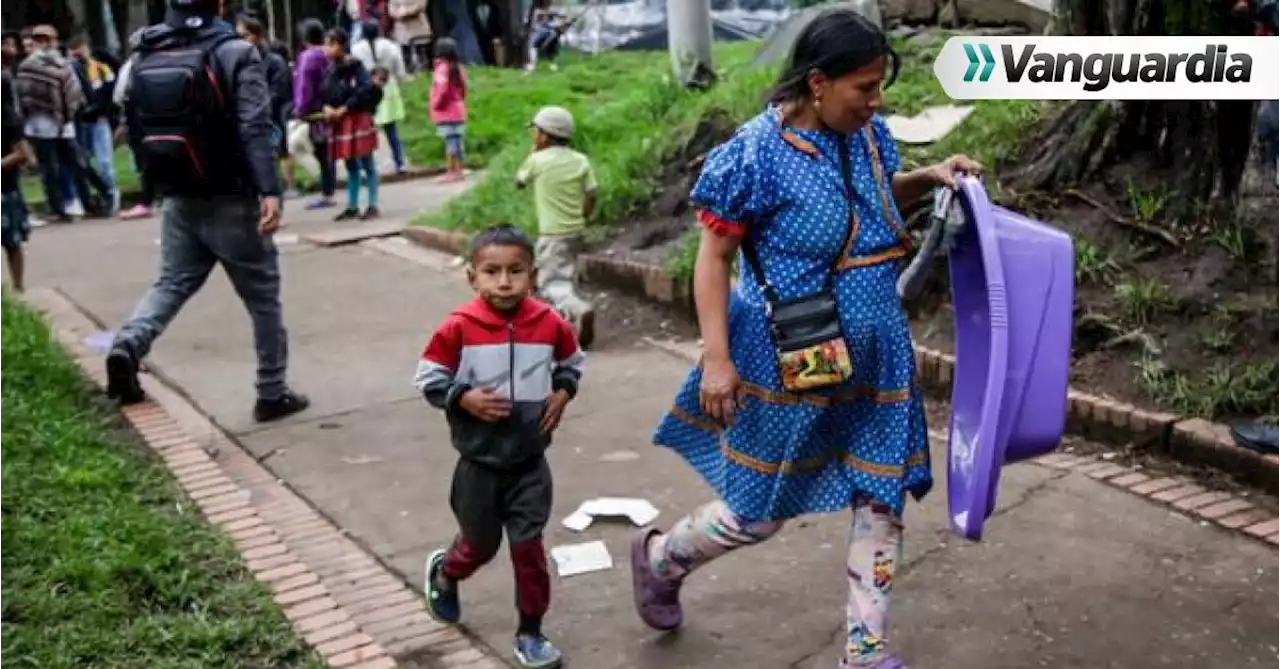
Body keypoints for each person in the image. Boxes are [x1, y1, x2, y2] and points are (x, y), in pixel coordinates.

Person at [630, 10, 982, 669]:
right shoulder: (756, 155)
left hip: (879, 350)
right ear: (818, 83)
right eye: (865, 87)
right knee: (759, 511)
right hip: (800, 355)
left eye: (881, 86)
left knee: (883, 494)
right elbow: (713, 259)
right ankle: (659, 558)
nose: (877, 101)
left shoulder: (872, 136)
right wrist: (716, 358)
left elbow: (871, 206)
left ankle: (865, 650)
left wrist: (929, 175)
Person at [106, 0, 310, 425]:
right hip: (232, 197)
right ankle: (271, 392)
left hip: (178, 194)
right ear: (218, 4)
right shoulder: (235, 51)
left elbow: (131, 122)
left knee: (171, 282)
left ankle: (128, 343)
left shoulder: (145, 51)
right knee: (263, 300)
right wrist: (269, 189)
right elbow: (253, 124)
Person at [414, 223, 583, 669]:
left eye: (515, 271)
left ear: (534, 273)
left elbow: (572, 361)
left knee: (528, 550)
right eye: (492, 272)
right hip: (478, 466)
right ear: (473, 276)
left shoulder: (550, 323)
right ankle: (446, 571)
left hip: (530, 463)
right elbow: (429, 378)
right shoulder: (458, 328)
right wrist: (462, 397)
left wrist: (563, 392)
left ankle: (531, 632)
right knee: (479, 547)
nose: (504, 282)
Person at [515, 106, 597, 349]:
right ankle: (568, 326)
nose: (533, 136)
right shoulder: (580, 160)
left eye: (535, 132)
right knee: (566, 275)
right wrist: (583, 215)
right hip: (576, 230)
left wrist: (533, 154)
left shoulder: (537, 160)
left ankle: (578, 310)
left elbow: (519, 182)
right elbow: (592, 193)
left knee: (551, 283)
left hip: (552, 232)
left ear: (544, 136)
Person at [15, 25, 111, 222]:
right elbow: (25, 95)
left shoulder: (64, 63)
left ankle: (94, 200)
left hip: (66, 124)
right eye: (39, 39)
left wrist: (69, 110)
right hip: (41, 124)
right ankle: (58, 209)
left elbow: (74, 91)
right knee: (50, 169)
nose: (44, 43)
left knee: (79, 163)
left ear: (55, 40)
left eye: (47, 39)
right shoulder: (28, 66)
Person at [320, 28, 381, 221]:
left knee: (367, 164)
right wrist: (326, 107)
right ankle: (352, 205)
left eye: (331, 44)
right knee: (350, 165)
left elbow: (365, 90)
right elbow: (325, 92)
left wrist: (346, 107)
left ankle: (373, 204)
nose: (327, 48)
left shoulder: (355, 66)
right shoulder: (330, 69)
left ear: (342, 45)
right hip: (341, 120)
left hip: (357, 117)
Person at [234, 15, 294, 197]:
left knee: (270, 161)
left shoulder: (274, 61)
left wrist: (256, 107)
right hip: (245, 120)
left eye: (245, 35)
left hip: (270, 119)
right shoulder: (238, 60)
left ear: (256, 35)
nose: (241, 41)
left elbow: (278, 92)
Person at [68, 34, 120, 214]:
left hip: (99, 121)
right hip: (82, 122)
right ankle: (98, 195)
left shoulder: (100, 68)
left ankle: (112, 193)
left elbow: (110, 93)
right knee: (83, 162)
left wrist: (108, 115)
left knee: (104, 161)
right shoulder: (70, 70)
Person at [352, 21, 408, 174]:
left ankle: (367, 166)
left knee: (366, 129)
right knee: (391, 129)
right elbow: (400, 70)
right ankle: (400, 162)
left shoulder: (356, 49)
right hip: (388, 88)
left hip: (367, 90)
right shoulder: (391, 46)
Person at [294, 18, 337, 210]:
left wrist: (300, 108)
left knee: (319, 150)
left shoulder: (307, 57)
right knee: (328, 150)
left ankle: (326, 192)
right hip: (331, 106)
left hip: (315, 111)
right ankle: (329, 188)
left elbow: (304, 86)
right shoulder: (328, 53)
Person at [112, 45, 158, 221]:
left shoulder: (133, 65)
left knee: (145, 160)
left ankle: (147, 201)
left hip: (138, 118)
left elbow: (119, 95)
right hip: (157, 117)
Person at [0, 73, 30, 293]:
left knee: (12, 242)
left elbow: (22, 154)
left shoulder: (8, 119)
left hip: (6, 188)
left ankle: (18, 287)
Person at [430, 37, 467, 183]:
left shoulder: (441, 68)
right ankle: (459, 169)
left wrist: (436, 104)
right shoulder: (458, 67)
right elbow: (464, 87)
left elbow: (442, 89)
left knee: (450, 142)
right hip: (458, 108)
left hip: (445, 110)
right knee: (457, 140)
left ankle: (452, 171)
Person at [387, 0, 432, 72]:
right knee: (405, 53)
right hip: (402, 29)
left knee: (421, 52)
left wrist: (406, 12)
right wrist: (398, 14)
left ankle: (425, 71)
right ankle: (409, 71)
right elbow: (391, 9)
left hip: (418, 27)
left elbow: (420, 6)